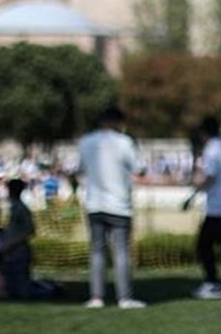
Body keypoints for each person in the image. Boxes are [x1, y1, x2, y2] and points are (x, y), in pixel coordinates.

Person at [76, 105, 147, 309]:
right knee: (121, 252)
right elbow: (139, 168)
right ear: (117, 122)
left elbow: (79, 168)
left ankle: (97, 297)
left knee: (97, 252)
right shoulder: (124, 142)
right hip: (119, 205)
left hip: (94, 203)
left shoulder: (86, 141)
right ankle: (124, 297)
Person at [189, 116, 221, 300]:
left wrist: (197, 185)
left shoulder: (211, 149)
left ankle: (212, 283)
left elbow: (209, 176)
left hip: (217, 209)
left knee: (204, 247)